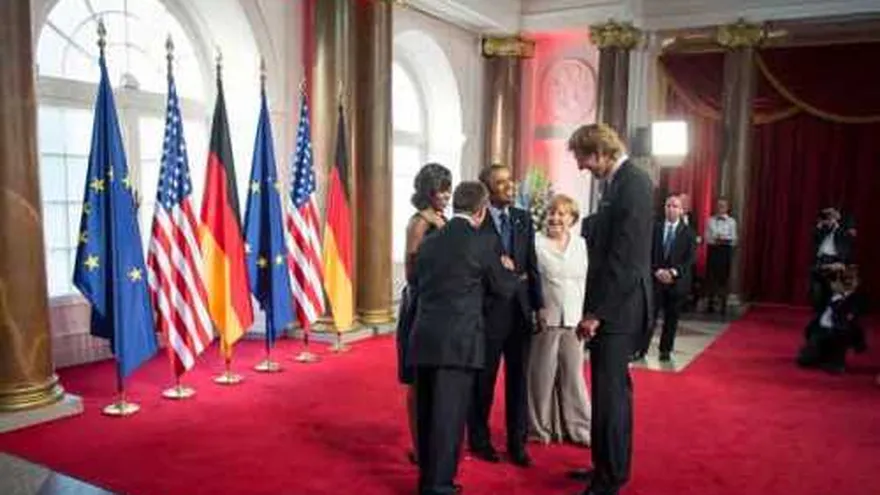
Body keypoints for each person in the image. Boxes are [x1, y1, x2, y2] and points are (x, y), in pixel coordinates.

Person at [409, 181, 519, 495]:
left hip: (425, 336)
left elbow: (415, 280)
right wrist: (509, 270)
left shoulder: (429, 240)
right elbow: (503, 288)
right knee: (448, 416)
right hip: (458, 342)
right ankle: (439, 486)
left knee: (428, 414)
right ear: (482, 211)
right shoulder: (482, 243)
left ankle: (427, 481)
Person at [566, 123, 653, 495]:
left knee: (611, 396)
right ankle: (604, 465)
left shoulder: (633, 182)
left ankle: (611, 477)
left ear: (600, 151)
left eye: (585, 159)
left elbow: (625, 260)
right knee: (607, 392)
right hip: (614, 306)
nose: (584, 167)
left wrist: (596, 313)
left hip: (619, 310)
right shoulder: (618, 183)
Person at [468, 163, 544, 467]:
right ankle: (479, 439)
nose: (509, 186)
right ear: (487, 189)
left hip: (521, 313)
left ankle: (517, 442)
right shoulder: (477, 222)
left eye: (510, 181)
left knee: (518, 381)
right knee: (483, 381)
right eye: (501, 183)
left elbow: (532, 265)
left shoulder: (523, 219)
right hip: (488, 314)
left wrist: (538, 306)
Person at [396, 163, 452, 465]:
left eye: (448, 187)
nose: (446, 194)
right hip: (419, 304)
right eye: (441, 189)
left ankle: (435, 442)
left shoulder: (445, 219)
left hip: (440, 305)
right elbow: (411, 273)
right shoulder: (419, 223)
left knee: (437, 379)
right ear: (427, 191)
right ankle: (419, 448)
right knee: (418, 380)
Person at [527, 194, 591, 446]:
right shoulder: (535, 243)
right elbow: (529, 281)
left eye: (561, 214)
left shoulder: (582, 244)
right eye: (552, 213)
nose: (555, 218)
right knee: (540, 378)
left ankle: (579, 429)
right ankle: (539, 430)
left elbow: (587, 281)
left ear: (572, 218)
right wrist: (535, 309)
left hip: (575, 320)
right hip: (545, 319)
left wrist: (589, 315)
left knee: (573, 378)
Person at [636, 194, 696, 362]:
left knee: (672, 318)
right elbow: (646, 253)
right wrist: (657, 271)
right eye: (668, 205)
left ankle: (665, 350)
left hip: (676, 282)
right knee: (649, 316)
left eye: (675, 206)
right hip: (655, 280)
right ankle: (641, 348)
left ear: (681, 210)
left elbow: (690, 259)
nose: (671, 209)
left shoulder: (688, 233)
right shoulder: (654, 228)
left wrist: (673, 272)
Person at [796, 265, 866, 374]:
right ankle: (820, 355)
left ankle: (836, 361)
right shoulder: (829, 295)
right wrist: (829, 267)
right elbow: (816, 275)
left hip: (838, 332)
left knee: (840, 337)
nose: (834, 284)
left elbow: (851, 319)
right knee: (804, 360)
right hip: (820, 331)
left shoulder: (855, 299)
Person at [810, 207, 855, 312]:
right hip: (821, 260)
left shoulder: (843, 231)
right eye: (827, 218)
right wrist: (820, 224)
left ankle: (832, 313)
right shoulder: (824, 230)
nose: (828, 220)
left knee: (833, 289)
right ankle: (820, 311)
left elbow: (847, 244)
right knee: (816, 290)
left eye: (831, 217)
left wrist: (841, 262)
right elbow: (815, 236)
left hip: (834, 261)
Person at [704, 198, 737, 315]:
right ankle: (710, 303)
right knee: (711, 277)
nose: (720, 208)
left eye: (723, 206)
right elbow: (707, 238)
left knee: (723, 278)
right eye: (719, 205)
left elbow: (734, 239)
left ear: (727, 207)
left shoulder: (732, 222)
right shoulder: (710, 220)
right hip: (713, 251)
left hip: (725, 252)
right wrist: (716, 239)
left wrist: (723, 238)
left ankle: (723, 304)